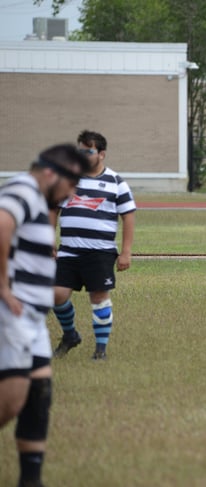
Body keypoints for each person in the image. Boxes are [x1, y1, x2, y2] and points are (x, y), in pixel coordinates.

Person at [0, 144, 89, 487]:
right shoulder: (22, 189)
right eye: (72, 183)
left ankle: (30, 479)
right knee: (10, 401)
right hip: (13, 315)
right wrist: (4, 288)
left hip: (33, 319)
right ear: (53, 172)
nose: (73, 193)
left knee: (38, 398)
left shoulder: (37, 199)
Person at [51, 130, 136, 361]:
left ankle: (101, 350)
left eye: (87, 151)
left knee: (98, 297)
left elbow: (128, 216)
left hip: (99, 252)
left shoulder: (116, 182)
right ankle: (70, 336)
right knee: (55, 295)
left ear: (101, 154)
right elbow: (53, 210)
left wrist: (126, 252)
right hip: (68, 251)